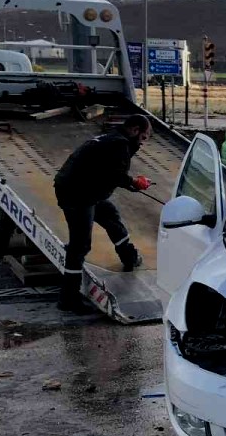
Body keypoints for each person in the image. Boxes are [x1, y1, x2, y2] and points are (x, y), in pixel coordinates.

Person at [53, 114, 155, 313]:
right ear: (135, 130)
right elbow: (116, 175)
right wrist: (135, 182)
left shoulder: (112, 138)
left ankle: (129, 256)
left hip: (85, 191)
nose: (142, 143)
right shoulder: (119, 144)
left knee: (110, 215)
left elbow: (107, 172)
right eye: (143, 137)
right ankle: (68, 299)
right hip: (77, 195)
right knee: (80, 245)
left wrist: (131, 183)